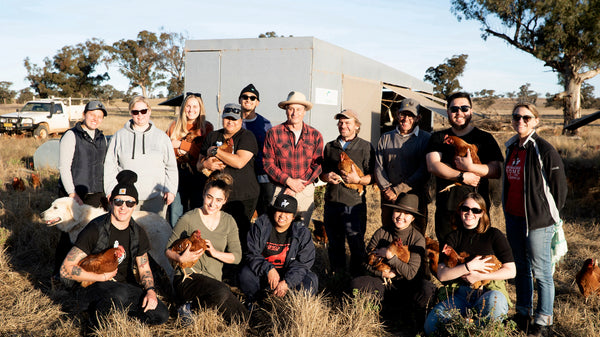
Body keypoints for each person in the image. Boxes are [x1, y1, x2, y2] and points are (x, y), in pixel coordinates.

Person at [60, 170, 169, 327]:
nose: (123, 207)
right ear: (111, 202)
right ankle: (94, 322)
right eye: (119, 202)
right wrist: (102, 277)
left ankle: (120, 318)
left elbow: (144, 268)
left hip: (124, 287)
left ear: (135, 206)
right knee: (119, 294)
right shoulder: (95, 229)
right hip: (92, 287)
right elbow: (65, 269)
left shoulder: (137, 232)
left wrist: (151, 291)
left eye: (129, 203)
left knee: (161, 314)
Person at [502, 103, 567, 336]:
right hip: (514, 217)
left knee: (542, 271)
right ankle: (523, 313)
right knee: (521, 267)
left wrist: (548, 215)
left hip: (538, 222)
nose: (521, 121)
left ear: (536, 121)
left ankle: (544, 321)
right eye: (517, 117)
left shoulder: (543, 149)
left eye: (526, 117)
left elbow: (559, 188)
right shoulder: (512, 147)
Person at [424, 192, 516, 336]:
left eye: (475, 210)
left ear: (482, 213)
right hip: (461, 294)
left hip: (489, 291)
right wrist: (468, 267)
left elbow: (511, 271)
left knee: (494, 307)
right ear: (460, 210)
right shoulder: (452, 237)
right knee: (431, 325)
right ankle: (469, 327)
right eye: (465, 209)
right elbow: (442, 275)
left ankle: (472, 328)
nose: (469, 213)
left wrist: (480, 275)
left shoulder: (494, 235)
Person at [165, 173, 248, 323]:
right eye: (209, 197)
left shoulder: (229, 222)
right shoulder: (188, 218)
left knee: (242, 318)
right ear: (203, 194)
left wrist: (215, 253)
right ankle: (188, 309)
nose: (212, 204)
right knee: (222, 291)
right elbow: (167, 250)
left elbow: (237, 257)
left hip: (213, 281)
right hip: (187, 277)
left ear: (225, 201)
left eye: (218, 200)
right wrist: (180, 258)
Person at [425, 92, 503, 243]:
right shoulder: (438, 138)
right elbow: (433, 165)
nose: (459, 113)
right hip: (448, 209)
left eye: (464, 108)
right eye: (454, 109)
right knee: (448, 256)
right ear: (447, 112)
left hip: (477, 211)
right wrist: (461, 176)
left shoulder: (484, 139)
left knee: (478, 253)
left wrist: (470, 167)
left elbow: (495, 170)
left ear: (471, 111)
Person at [351, 193, 435, 329]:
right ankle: (377, 314)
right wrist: (382, 274)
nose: (401, 216)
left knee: (427, 288)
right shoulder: (381, 232)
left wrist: (389, 256)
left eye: (407, 213)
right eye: (397, 211)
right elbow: (364, 263)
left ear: (413, 218)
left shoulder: (417, 238)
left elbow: (411, 273)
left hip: (406, 284)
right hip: (382, 282)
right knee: (358, 283)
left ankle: (412, 319)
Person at [55, 100, 108, 277]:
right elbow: (64, 166)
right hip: (75, 193)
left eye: (99, 116)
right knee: (69, 234)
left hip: (95, 194)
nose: (95, 119)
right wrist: (72, 193)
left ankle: (83, 274)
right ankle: (60, 273)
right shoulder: (72, 135)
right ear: (84, 114)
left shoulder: (102, 138)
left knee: (89, 236)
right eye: (92, 114)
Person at [320, 109, 374, 276]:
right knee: (335, 243)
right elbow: (321, 173)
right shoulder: (330, 147)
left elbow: (373, 177)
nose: (343, 126)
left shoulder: (365, 147)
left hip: (354, 203)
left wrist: (358, 180)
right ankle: (338, 277)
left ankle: (357, 278)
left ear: (356, 126)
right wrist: (327, 176)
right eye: (341, 123)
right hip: (332, 201)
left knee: (356, 242)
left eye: (348, 122)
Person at [104, 96, 178, 219]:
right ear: (130, 113)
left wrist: (170, 190)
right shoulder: (119, 136)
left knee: (155, 234)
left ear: (149, 111)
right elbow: (110, 165)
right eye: (135, 112)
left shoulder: (161, 137)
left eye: (143, 111)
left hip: (155, 198)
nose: (140, 115)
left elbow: (171, 166)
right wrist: (110, 189)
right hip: (126, 198)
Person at [198, 103, 259, 248]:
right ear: (222, 118)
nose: (230, 122)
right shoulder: (213, 135)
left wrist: (215, 151)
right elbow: (198, 164)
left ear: (241, 120)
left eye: (234, 119)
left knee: (238, 234)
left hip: (242, 196)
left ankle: (238, 265)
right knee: (216, 231)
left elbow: (239, 162)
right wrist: (206, 164)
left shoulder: (247, 137)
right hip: (216, 196)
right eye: (227, 118)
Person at [239, 194, 317, 305]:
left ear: (293, 216)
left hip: (289, 273)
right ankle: (256, 301)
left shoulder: (302, 233)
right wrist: (268, 269)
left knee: (310, 280)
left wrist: (287, 282)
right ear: (273, 211)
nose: (282, 216)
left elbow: (303, 263)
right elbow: (251, 253)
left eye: (287, 213)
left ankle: (289, 304)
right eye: (279, 211)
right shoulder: (260, 226)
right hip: (264, 273)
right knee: (245, 273)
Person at [263, 91, 324, 226]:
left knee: (300, 230)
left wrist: (298, 185)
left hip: (305, 190)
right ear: (286, 110)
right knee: (278, 228)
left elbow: (317, 165)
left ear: (304, 111)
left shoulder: (315, 135)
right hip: (280, 188)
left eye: (298, 109)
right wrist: (288, 181)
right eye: (291, 109)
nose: (294, 113)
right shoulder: (273, 133)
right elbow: (268, 163)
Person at [375, 98, 431, 235]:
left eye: (411, 115)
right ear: (397, 114)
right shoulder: (386, 138)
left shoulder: (426, 139)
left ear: (418, 118)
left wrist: (398, 190)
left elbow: (424, 170)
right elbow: (378, 166)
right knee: (389, 231)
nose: (406, 119)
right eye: (403, 114)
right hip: (389, 198)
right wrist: (387, 189)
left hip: (415, 196)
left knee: (416, 233)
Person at [166, 92, 214, 227]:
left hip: (198, 174)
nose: (191, 110)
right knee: (176, 211)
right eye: (188, 106)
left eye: (195, 107)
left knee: (196, 210)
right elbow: (166, 149)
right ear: (183, 108)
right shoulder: (174, 126)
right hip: (177, 174)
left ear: (200, 109)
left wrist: (182, 145)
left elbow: (204, 152)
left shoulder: (206, 127)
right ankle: (176, 243)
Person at [239, 84, 273, 216]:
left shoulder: (265, 123)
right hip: (241, 175)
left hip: (262, 176)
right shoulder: (234, 121)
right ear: (240, 100)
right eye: (245, 97)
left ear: (257, 102)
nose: (248, 100)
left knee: (265, 213)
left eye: (252, 98)